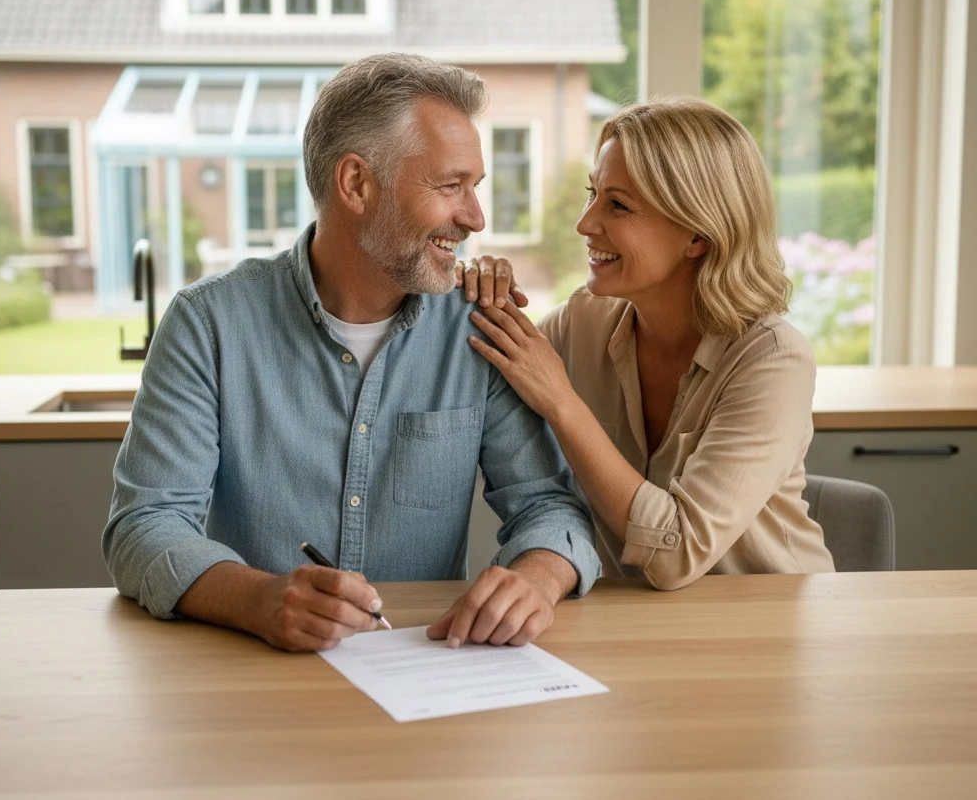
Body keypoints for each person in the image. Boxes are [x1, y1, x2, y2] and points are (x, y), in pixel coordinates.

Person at [103, 53, 599, 652]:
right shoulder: (208, 324)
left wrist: (536, 580)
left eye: (475, 187)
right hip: (256, 675)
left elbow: (552, 509)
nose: (474, 217)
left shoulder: (478, 326)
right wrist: (257, 599)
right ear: (357, 183)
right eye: (450, 186)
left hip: (427, 673)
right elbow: (145, 525)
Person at [461, 96, 834, 589]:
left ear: (697, 235)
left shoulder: (773, 360)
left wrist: (561, 401)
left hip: (765, 633)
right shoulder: (583, 322)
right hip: (628, 626)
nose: (585, 223)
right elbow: (484, 358)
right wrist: (479, 292)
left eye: (618, 205)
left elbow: (675, 555)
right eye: (592, 194)